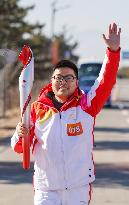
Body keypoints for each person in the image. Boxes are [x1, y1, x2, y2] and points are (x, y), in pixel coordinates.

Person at [11, 23, 121, 205]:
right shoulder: (37, 109)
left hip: (78, 189)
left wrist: (113, 51)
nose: (63, 82)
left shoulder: (87, 105)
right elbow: (19, 147)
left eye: (68, 77)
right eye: (58, 78)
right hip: (46, 189)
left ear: (76, 82)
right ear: (51, 81)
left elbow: (106, 80)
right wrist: (19, 134)